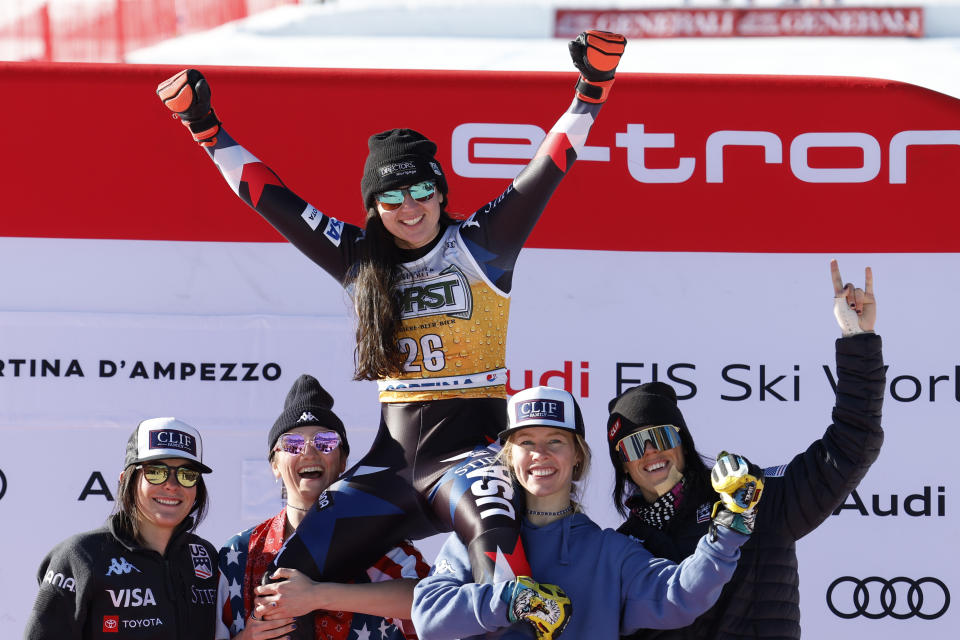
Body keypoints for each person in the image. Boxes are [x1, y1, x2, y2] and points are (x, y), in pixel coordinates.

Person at [157, 28, 627, 640]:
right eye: (392, 196)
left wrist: (590, 92)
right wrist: (206, 129)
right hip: (391, 466)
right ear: (374, 207)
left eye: (422, 190)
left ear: (440, 191)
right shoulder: (359, 259)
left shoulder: (481, 243)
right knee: (286, 576)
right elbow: (273, 200)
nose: (411, 208)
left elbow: (548, 166)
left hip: (470, 458)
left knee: (503, 566)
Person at [607, 259, 884, 640]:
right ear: (623, 464)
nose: (651, 452)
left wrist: (857, 340)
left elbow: (853, 444)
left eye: (662, 437)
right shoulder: (621, 548)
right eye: (635, 445)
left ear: (683, 443)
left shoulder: (754, 495)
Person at [410, 385, 762, 640]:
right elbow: (428, 617)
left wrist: (729, 527)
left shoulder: (611, 553)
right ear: (509, 456)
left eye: (555, 441)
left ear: (577, 455)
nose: (540, 454)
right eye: (526, 442)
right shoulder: (483, 532)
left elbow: (683, 596)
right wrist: (510, 600)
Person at [216, 374, 430, 640]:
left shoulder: (377, 541)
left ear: (343, 462)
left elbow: (429, 600)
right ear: (274, 465)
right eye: (292, 444)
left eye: (325, 442)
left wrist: (317, 595)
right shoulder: (240, 552)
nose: (309, 452)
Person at [24, 417, 219, 640]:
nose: (172, 485)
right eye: (156, 472)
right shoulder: (79, 556)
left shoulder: (206, 556)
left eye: (187, 475)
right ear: (126, 479)